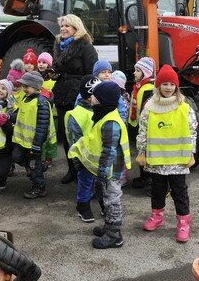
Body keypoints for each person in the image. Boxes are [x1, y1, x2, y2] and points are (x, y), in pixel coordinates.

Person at [136, 65, 197, 243]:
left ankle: (183, 223)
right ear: (158, 86)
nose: (168, 88)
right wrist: (142, 151)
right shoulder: (149, 107)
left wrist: (191, 153)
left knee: (179, 192)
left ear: (176, 87)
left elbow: (192, 132)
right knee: (157, 190)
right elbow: (143, 131)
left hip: (178, 161)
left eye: (172, 84)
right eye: (164, 84)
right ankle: (157, 216)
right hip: (157, 160)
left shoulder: (184, 108)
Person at [68, 81, 131, 249]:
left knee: (112, 200)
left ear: (102, 100)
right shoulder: (103, 114)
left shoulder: (110, 122)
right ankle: (108, 227)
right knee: (104, 195)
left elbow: (109, 151)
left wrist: (102, 173)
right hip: (105, 167)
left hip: (111, 169)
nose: (91, 97)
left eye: (94, 95)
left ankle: (114, 235)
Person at [53, 14, 98, 184]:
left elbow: (92, 73)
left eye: (67, 26)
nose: (63, 29)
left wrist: (87, 95)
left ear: (76, 28)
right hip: (62, 93)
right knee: (65, 134)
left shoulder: (85, 46)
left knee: (81, 134)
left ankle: (85, 169)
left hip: (79, 95)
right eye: (62, 26)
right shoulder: (59, 46)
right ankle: (72, 168)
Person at [13, 71, 57, 199]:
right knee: (17, 157)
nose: (24, 89)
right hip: (24, 142)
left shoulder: (41, 103)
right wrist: (8, 117)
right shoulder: (26, 99)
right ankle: (34, 170)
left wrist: (37, 144)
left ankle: (39, 187)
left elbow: (42, 127)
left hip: (35, 143)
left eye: (27, 86)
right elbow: (19, 113)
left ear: (36, 87)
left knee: (35, 166)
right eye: (24, 86)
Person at [67, 77, 97, 222]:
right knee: (85, 182)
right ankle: (83, 206)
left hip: (99, 155)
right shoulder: (77, 114)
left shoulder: (102, 109)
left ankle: (102, 204)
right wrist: (77, 159)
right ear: (90, 96)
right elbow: (74, 139)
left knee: (100, 182)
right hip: (84, 157)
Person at [129, 57, 156, 189]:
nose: (134, 73)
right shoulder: (139, 87)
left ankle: (149, 180)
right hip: (138, 126)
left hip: (144, 128)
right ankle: (144, 177)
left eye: (138, 71)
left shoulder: (148, 89)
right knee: (141, 153)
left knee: (146, 154)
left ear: (145, 72)